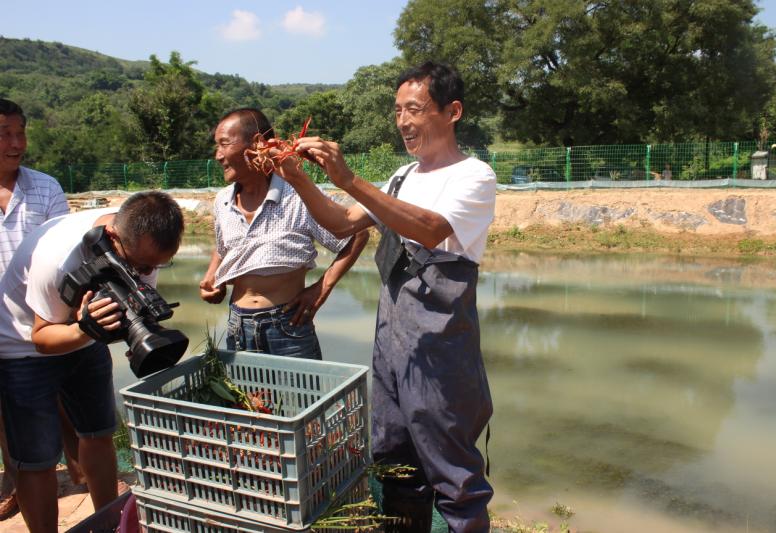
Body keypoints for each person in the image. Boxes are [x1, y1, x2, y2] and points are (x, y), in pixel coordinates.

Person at [272, 62, 495, 532]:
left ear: (452, 111)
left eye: (414, 109)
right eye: (397, 110)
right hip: (392, 343)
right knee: (394, 462)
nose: (402, 121)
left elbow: (431, 229)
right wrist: (298, 178)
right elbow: (341, 223)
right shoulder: (400, 177)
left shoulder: (473, 175)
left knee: (455, 476)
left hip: (440, 352)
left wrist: (350, 178)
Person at [0, 191, 184, 533]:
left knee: (98, 432)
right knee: (37, 459)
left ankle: (111, 524)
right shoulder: (57, 257)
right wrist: (85, 329)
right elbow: (42, 338)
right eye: (142, 265)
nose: (147, 273)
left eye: (156, 266)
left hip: (86, 333)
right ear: (113, 238)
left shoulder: (141, 240)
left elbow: (134, 297)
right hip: (22, 345)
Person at [198, 108, 368, 358]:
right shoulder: (222, 201)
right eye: (217, 146)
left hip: (288, 327)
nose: (218, 155)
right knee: (246, 398)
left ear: (256, 144)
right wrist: (213, 278)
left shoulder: (298, 196)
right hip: (238, 327)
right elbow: (223, 248)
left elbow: (357, 235)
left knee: (302, 397)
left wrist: (321, 288)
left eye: (224, 144)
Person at [0, 97, 72, 521]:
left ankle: (56, 478)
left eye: (20, 133)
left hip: (43, 331)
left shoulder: (46, 187)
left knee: (46, 421)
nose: (15, 143)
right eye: (4, 134)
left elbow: (64, 255)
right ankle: (17, 487)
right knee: (10, 428)